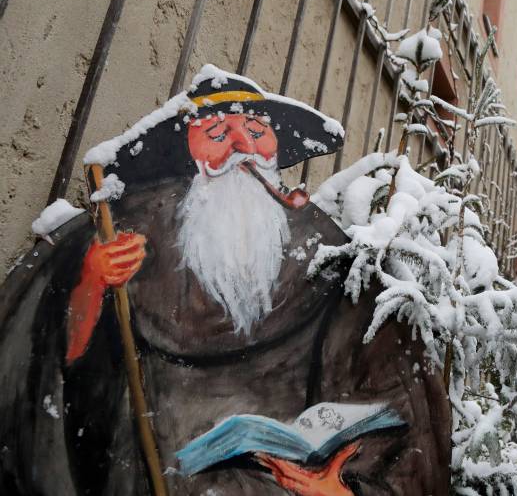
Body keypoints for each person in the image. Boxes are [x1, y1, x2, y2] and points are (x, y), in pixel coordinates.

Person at [0, 70, 450, 495]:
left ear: (275, 148)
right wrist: (92, 283)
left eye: (256, 131)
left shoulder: (327, 254)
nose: (241, 147)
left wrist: (341, 490)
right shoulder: (137, 232)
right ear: (190, 153)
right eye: (217, 134)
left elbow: (395, 395)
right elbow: (66, 367)